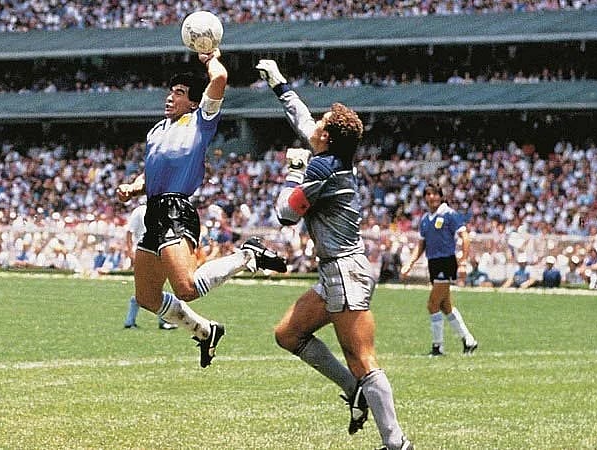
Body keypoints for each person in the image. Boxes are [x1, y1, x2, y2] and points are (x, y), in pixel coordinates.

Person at [256, 59, 412, 450]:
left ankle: (397, 444)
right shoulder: (333, 157)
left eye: (322, 124)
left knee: (362, 357)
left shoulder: (323, 169)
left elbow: (285, 214)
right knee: (288, 334)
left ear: (326, 138)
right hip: (338, 271)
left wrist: (293, 171)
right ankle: (354, 391)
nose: (316, 126)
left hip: (345, 271)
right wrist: (280, 86)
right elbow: (304, 122)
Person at [116, 49, 286, 369]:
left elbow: (220, 78)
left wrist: (210, 57)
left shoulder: (199, 121)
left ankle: (247, 256)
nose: (170, 98)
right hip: (154, 210)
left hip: (176, 209)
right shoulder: (156, 131)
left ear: (194, 102)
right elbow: (151, 171)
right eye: (170, 92)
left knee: (187, 288)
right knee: (147, 298)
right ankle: (206, 331)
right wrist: (133, 187)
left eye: (178, 93)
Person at [400, 183, 478, 357]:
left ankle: (438, 346)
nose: (431, 197)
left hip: (446, 262)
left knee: (432, 304)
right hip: (433, 263)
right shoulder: (426, 219)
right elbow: (421, 244)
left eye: (434, 194)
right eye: (428, 194)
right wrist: (410, 263)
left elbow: (465, 237)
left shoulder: (450, 214)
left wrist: (463, 262)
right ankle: (469, 340)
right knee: (445, 306)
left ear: (441, 196)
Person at [123, 200, 177, 330]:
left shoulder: (161, 211)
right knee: (151, 287)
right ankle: (160, 321)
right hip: (144, 251)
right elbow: (129, 232)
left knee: (152, 287)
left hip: (156, 252)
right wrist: (130, 252)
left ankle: (132, 321)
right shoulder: (140, 211)